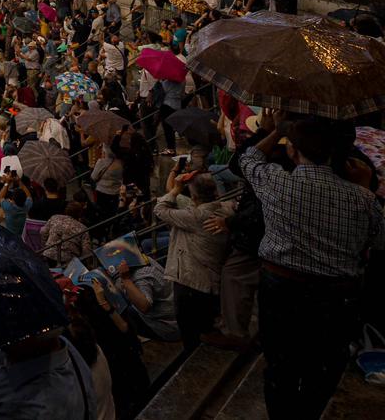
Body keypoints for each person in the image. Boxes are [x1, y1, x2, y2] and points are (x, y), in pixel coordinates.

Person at [239, 115, 385, 419]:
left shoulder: (276, 181)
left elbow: (248, 158)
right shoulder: (362, 198)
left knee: (281, 367)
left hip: (281, 292)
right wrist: (367, 191)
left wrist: (276, 129)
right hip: (335, 299)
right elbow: (379, 240)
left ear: (292, 151)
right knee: (324, 368)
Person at [152, 169, 233, 350]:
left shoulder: (196, 217)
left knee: (190, 331)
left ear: (194, 196)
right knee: (205, 326)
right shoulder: (226, 208)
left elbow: (159, 209)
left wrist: (175, 190)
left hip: (191, 282)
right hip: (209, 280)